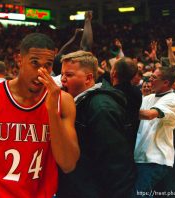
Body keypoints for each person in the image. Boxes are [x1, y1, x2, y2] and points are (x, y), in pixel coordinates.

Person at [0, 33, 80, 198]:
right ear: (19, 59)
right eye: (34, 63)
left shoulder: (63, 101)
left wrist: (52, 112)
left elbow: (68, 164)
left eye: (47, 65)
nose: (41, 71)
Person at [58, 50, 136, 198]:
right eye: (62, 74)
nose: (62, 79)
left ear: (88, 78)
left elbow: (116, 165)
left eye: (68, 75)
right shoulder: (79, 101)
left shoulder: (101, 108)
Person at [133, 67, 175, 197]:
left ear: (165, 82)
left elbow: (149, 115)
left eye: (154, 78)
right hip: (143, 157)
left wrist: (122, 109)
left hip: (155, 159)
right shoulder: (149, 97)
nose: (150, 80)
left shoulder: (172, 99)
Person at [110, 57, 142, 150]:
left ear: (114, 73)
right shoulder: (137, 92)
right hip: (131, 142)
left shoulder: (110, 94)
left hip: (113, 144)